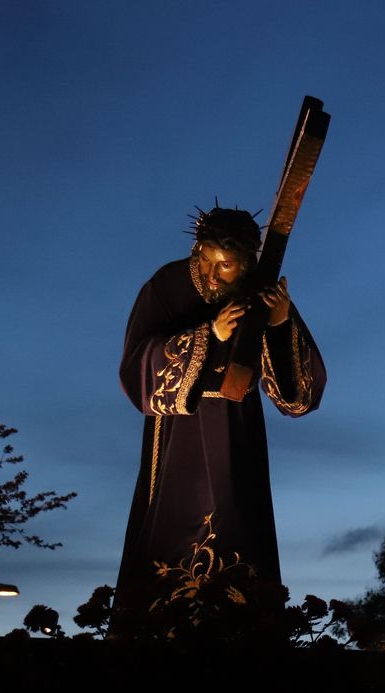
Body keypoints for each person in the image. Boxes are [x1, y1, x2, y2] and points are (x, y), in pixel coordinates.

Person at [115, 205, 327, 610]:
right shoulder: (167, 286)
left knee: (236, 529)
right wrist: (208, 335)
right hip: (178, 434)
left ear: (247, 263)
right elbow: (136, 364)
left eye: (225, 266)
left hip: (236, 431)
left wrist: (280, 323)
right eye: (205, 260)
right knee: (170, 536)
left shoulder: (258, 291)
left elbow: (297, 398)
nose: (212, 276)